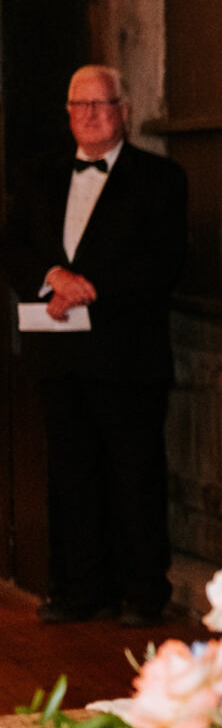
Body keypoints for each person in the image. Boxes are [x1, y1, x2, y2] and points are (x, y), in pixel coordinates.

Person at [0, 65, 186, 627]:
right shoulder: (39, 174)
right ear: (68, 112)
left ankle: (143, 594)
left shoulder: (161, 177)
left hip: (128, 353)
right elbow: (12, 246)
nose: (91, 114)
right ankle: (81, 590)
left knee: (135, 475)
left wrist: (90, 290)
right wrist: (53, 276)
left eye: (102, 104)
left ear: (124, 109)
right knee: (71, 475)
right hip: (57, 354)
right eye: (80, 105)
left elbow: (166, 261)